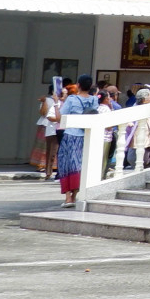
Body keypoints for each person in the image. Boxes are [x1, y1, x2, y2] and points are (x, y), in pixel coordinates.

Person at [55, 75, 98, 204]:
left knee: (66, 164)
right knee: (80, 165)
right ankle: (75, 195)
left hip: (71, 134)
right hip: (87, 135)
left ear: (78, 85)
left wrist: (57, 102)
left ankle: (68, 197)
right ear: (90, 86)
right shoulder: (94, 100)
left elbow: (59, 118)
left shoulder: (72, 99)